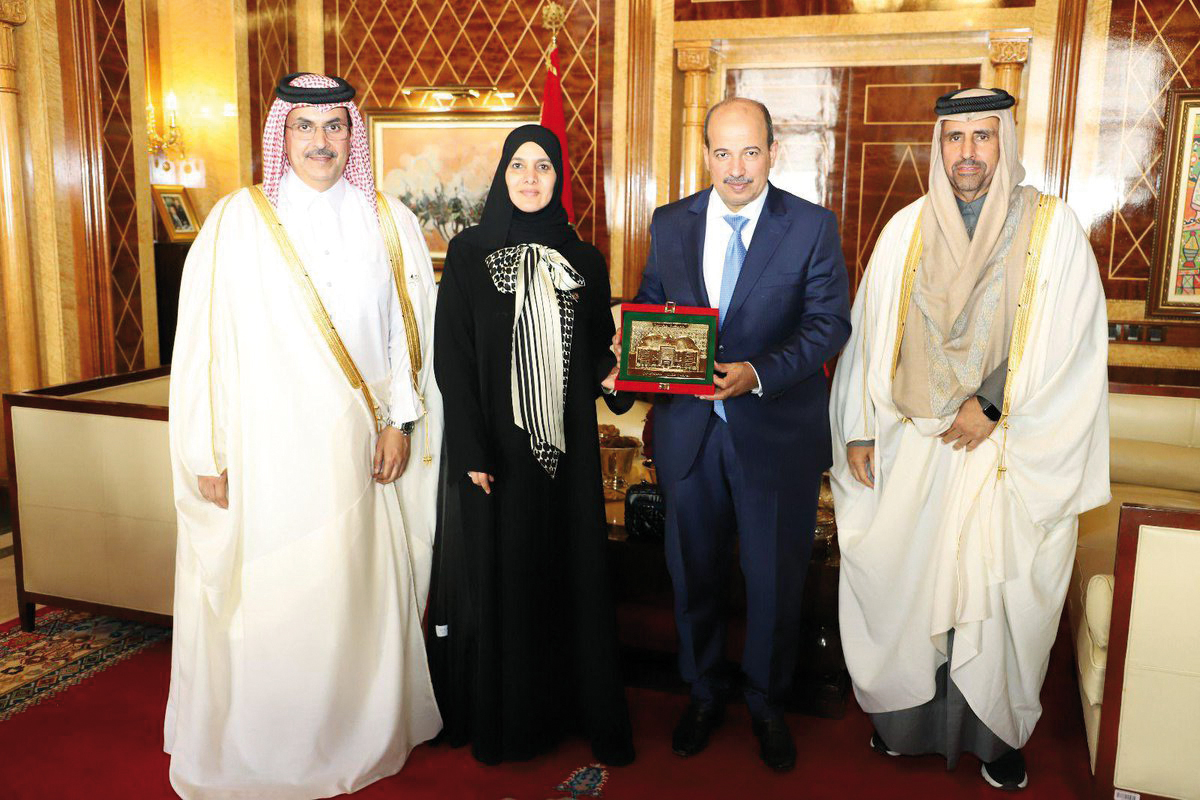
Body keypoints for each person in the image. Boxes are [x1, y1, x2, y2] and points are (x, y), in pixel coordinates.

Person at [166, 72, 442, 799]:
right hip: (262, 455)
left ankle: (352, 731)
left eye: (335, 127)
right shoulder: (235, 222)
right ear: (280, 135)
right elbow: (202, 348)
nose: (321, 142)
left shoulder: (391, 220)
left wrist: (397, 423)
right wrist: (207, 451)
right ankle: (269, 742)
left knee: (346, 593)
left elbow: (406, 338)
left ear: (353, 135)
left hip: (356, 451)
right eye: (304, 127)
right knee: (275, 598)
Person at [829, 88, 1110, 791]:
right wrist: (860, 429)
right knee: (912, 585)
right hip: (916, 447)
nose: (968, 154)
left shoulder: (1053, 230)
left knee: (997, 595)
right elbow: (869, 339)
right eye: (955, 139)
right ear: (939, 147)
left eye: (983, 137)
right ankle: (905, 726)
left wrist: (991, 403)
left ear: (1005, 143)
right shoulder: (906, 230)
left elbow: (1071, 345)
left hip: (1003, 450)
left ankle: (994, 739)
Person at [629, 97, 851, 771]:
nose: (736, 168)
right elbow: (653, 306)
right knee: (692, 576)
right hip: (689, 436)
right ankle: (702, 693)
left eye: (750, 152)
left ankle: (765, 702)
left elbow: (828, 325)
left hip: (774, 434)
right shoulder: (671, 223)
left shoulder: (810, 227)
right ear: (705, 154)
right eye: (722, 153)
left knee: (774, 581)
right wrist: (636, 339)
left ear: (773, 152)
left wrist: (757, 373)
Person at [426, 124, 636, 767]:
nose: (530, 178)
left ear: (558, 179)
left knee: (567, 576)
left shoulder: (587, 259)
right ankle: (509, 722)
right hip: (498, 455)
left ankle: (571, 710)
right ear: (502, 174)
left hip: (568, 456)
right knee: (507, 580)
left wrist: (631, 370)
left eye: (544, 168)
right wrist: (472, 452)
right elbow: (452, 362)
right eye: (519, 166)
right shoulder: (467, 254)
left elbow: (597, 351)